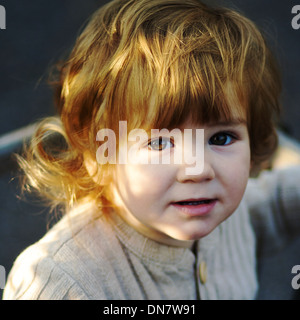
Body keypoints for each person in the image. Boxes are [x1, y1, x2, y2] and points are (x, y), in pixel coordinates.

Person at [3, 0, 300, 300]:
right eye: (159, 143)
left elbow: (272, 202)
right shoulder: (61, 284)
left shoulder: (225, 211)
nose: (198, 170)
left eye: (221, 138)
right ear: (97, 155)